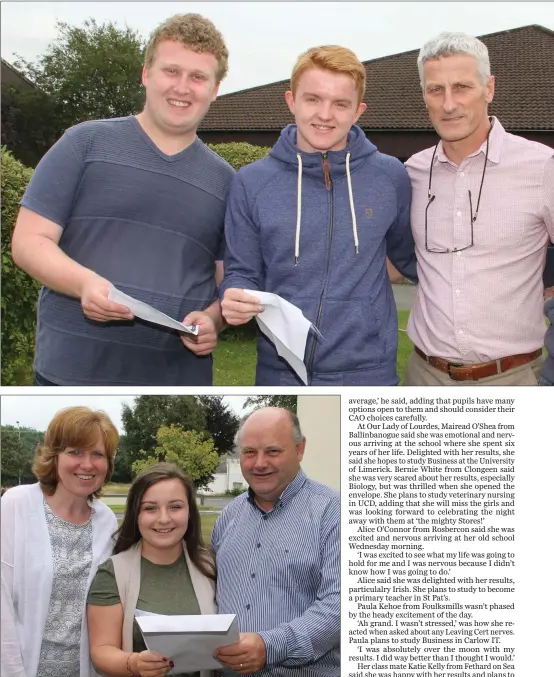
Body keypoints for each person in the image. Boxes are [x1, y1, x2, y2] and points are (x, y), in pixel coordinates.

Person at [11, 13, 234, 386]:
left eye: (198, 77)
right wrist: (84, 284)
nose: (182, 87)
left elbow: (228, 280)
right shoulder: (84, 143)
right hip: (69, 374)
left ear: (214, 89)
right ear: (146, 74)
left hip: (175, 382)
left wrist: (214, 319)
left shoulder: (228, 182)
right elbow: (28, 242)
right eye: (171, 71)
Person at [220, 45, 417, 386]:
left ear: (358, 111)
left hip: (370, 376)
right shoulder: (251, 183)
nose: (325, 115)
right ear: (291, 100)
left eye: (340, 103)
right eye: (312, 99)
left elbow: (409, 258)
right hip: (280, 373)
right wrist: (234, 295)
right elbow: (241, 272)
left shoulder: (390, 176)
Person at [404, 32, 554, 386]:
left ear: (489, 89)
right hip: (424, 379)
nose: (448, 104)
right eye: (435, 90)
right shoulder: (411, 173)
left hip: (513, 380)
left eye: (462, 87)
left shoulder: (543, 167)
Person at [212, 407, 339, 676]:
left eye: (272, 451)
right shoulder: (228, 516)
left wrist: (269, 646)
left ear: (299, 448)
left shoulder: (333, 512)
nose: (259, 463)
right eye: (249, 452)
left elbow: (339, 606)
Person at [1, 406, 119, 677]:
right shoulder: (17, 504)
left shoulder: (106, 521)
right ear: (54, 456)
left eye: (97, 454)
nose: (87, 464)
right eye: (75, 452)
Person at [87, 462, 216, 677]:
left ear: (190, 512)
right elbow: (101, 651)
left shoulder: (210, 566)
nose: (164, 518)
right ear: (135, 515)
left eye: (175, 506)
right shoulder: (113, 573)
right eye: (150, 508)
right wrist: (135, 663)